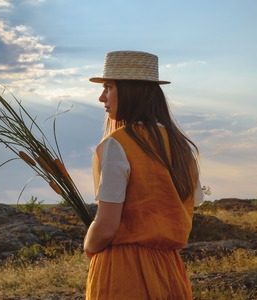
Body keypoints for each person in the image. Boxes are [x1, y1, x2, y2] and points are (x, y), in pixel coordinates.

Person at [83, 51, 204, 299]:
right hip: (169, 271)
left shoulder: (119, 144)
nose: (101, 97)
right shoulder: (182, 147)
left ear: (130, 91)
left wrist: (89, 245)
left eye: (109, 87)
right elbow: (187, 204)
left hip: (124, 272)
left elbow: (106, 227)